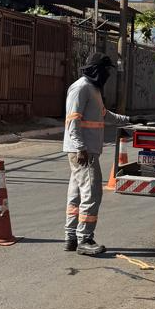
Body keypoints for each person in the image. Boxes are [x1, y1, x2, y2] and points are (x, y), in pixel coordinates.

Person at [63, 51, 145, 256]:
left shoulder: (93, 89)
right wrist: (80, 147)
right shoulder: (81, 87)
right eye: (106, 70)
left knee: (77, 194)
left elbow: (104, 115)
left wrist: (130, 119)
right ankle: (84, 239)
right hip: (83, 151)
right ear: (96, 70)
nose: (108, 75)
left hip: (87, 150)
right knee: (92, 193)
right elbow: (73, 120)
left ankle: (71, 237)